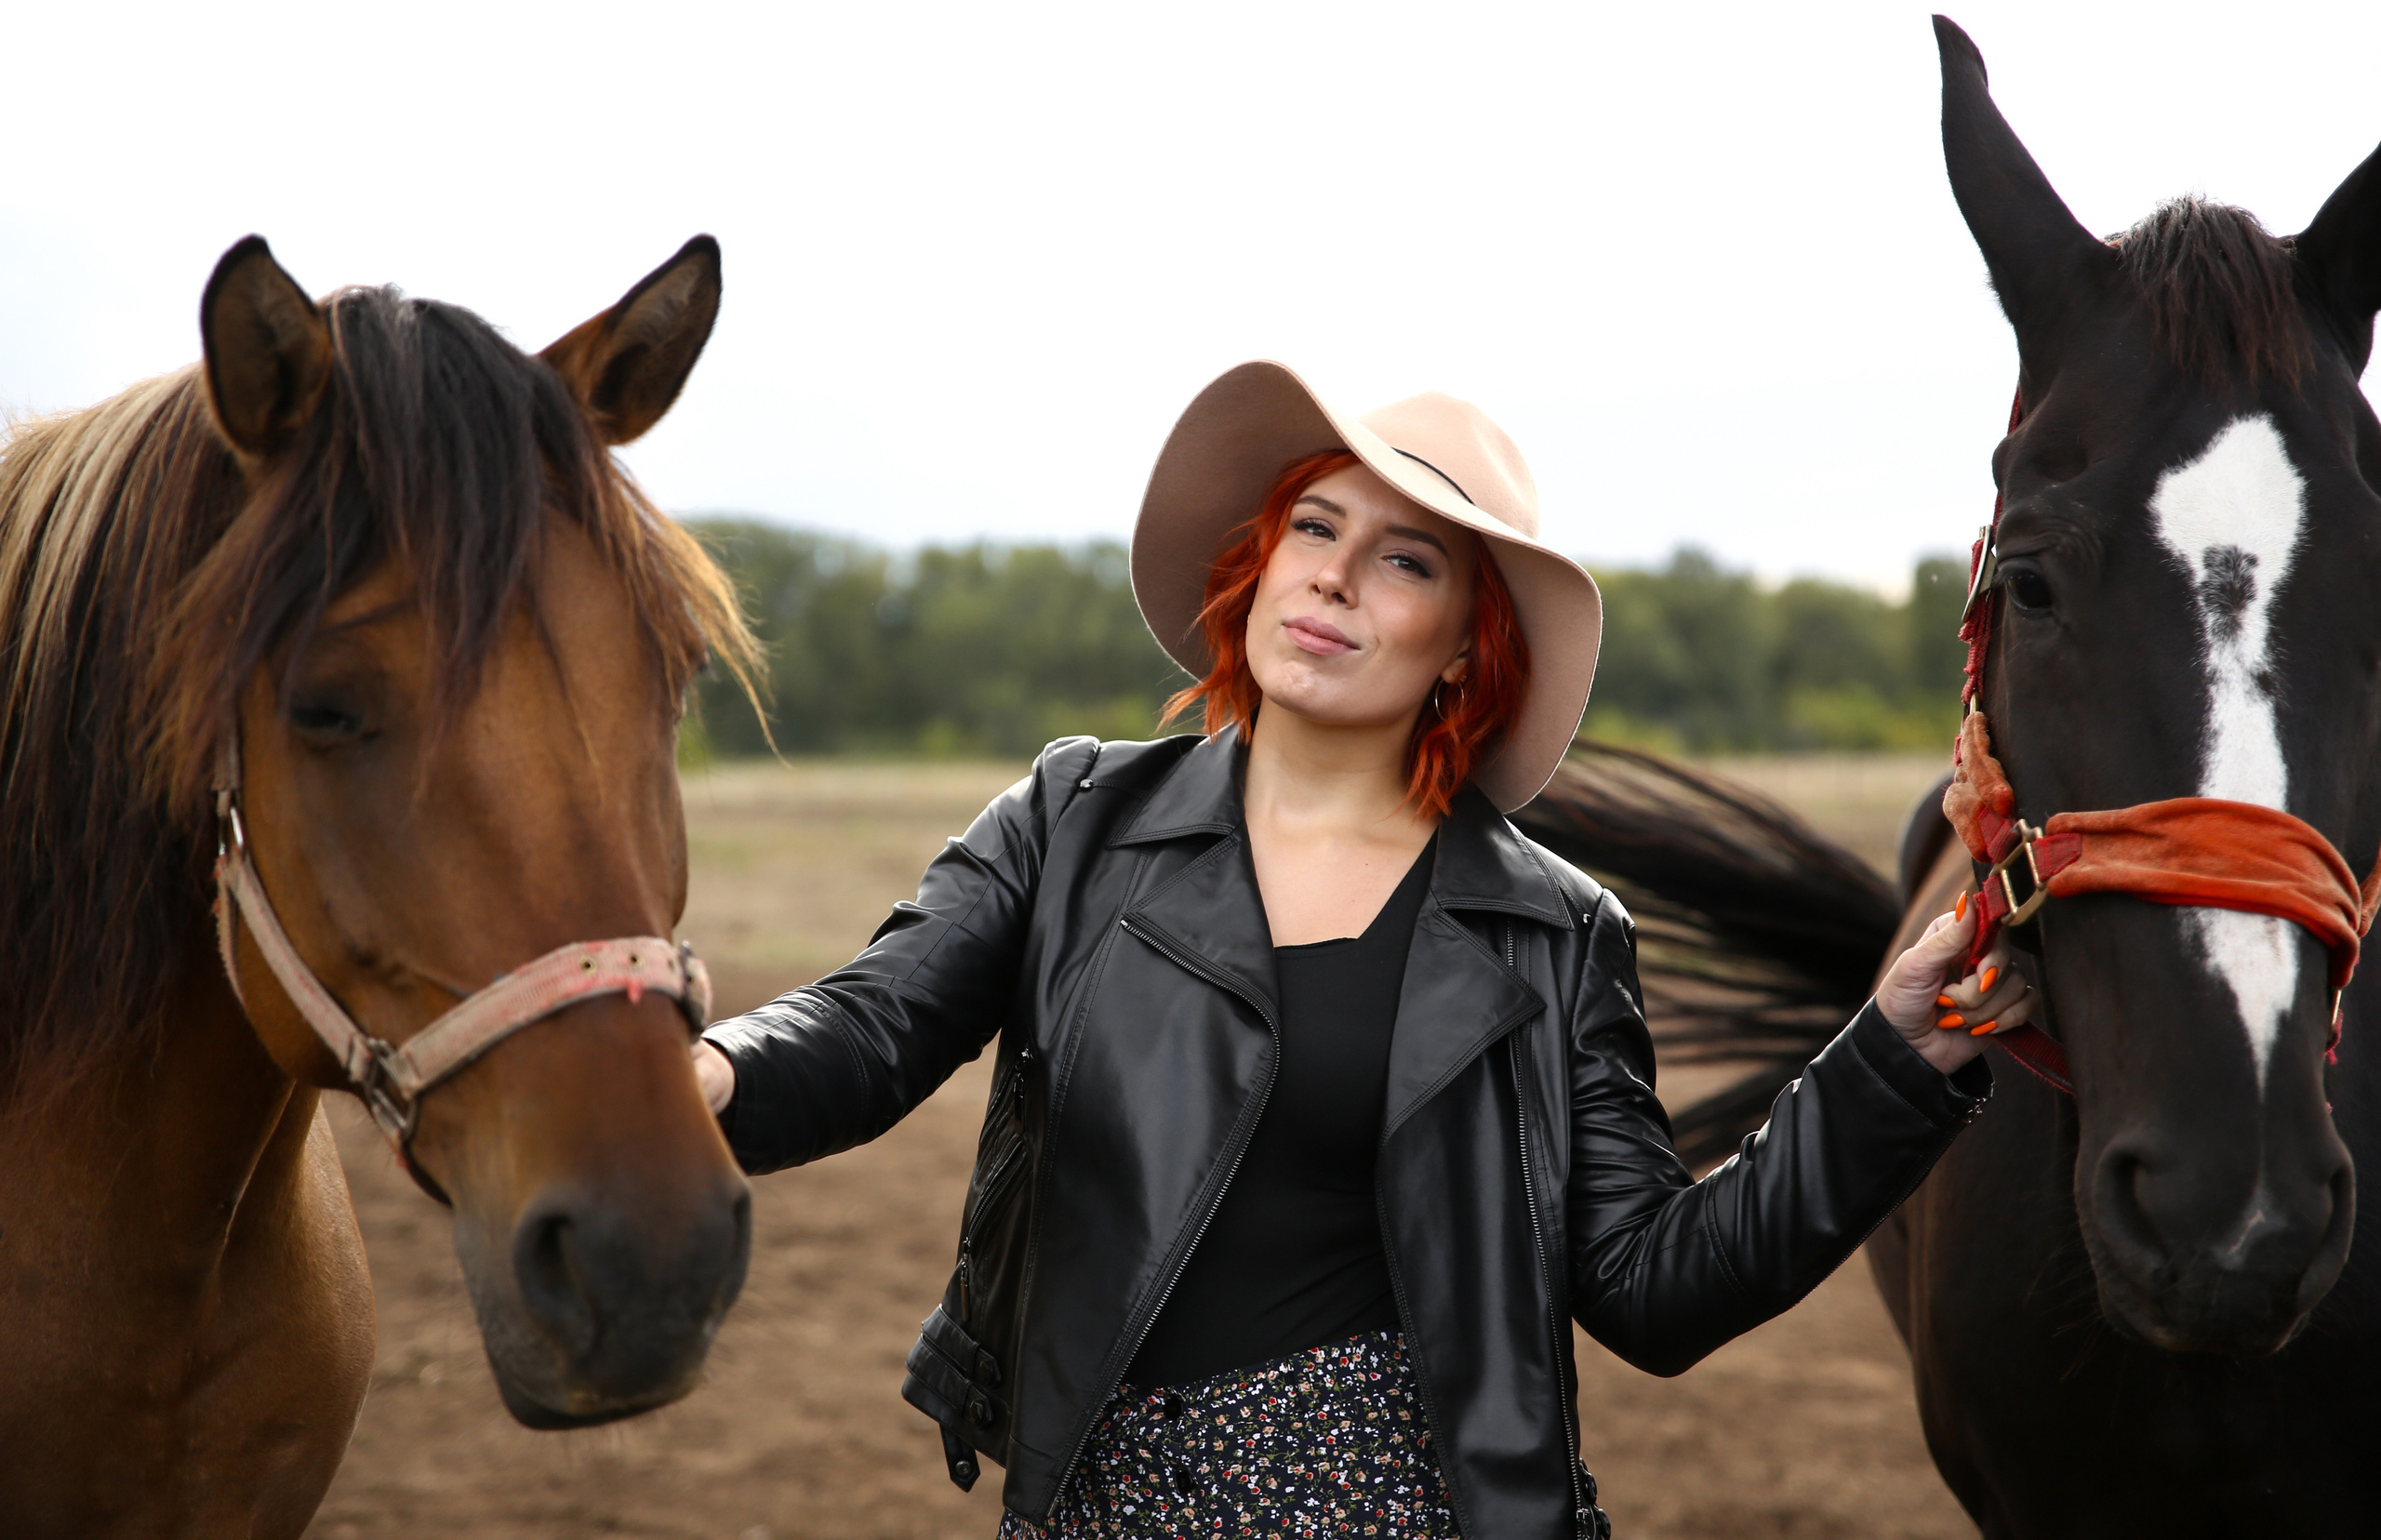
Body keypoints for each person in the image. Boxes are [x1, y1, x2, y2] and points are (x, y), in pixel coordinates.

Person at [692, 361, 2031, 1539]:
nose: (1332, 569)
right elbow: (869, 1029)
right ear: (1261, 565)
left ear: (1465, 645)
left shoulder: (1554, 934)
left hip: (1406, 1510)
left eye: (1404, 558)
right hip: (1104, 1514)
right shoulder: (1074, 822)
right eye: (1314, 525)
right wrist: (704, 1074)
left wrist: (1893, 1058)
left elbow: (1653, 1286)